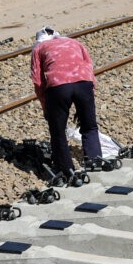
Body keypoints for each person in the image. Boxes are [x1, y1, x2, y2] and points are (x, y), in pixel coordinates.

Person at [30, 26, 103, 178]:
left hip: (58, 87)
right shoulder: (74, 42)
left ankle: (66, 171)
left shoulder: (39, 48)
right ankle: (95, 162)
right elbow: (89, 66)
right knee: (89, 126)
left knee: (58, 132)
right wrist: (89, 92)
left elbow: (38, 81)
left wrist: (46, 108)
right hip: (84, 82)